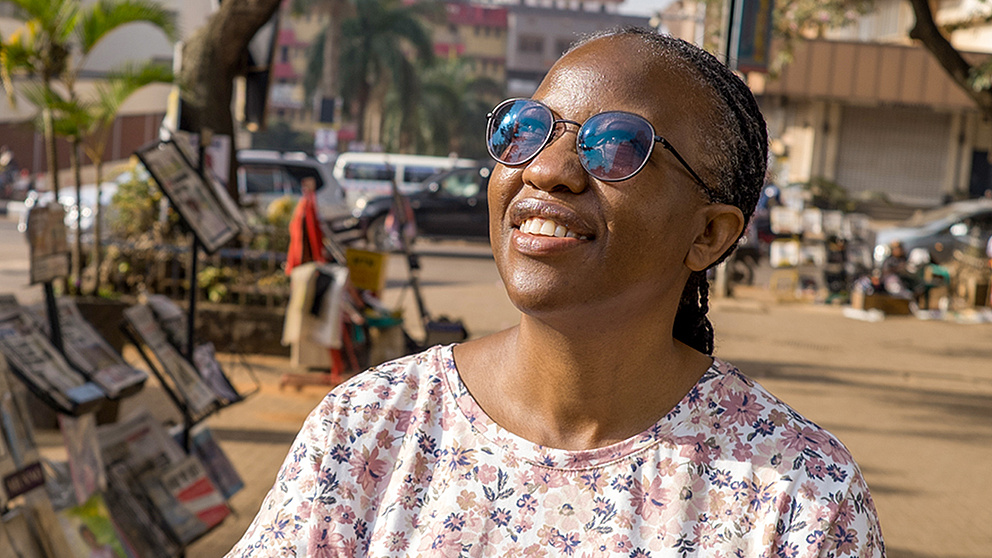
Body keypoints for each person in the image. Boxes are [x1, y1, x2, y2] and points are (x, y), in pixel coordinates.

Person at [227, 28, 884, 557]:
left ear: (709, 233)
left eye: (618, 146)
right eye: (526, 129)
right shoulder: (373, 427)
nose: (545, 170)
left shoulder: (799, 495)